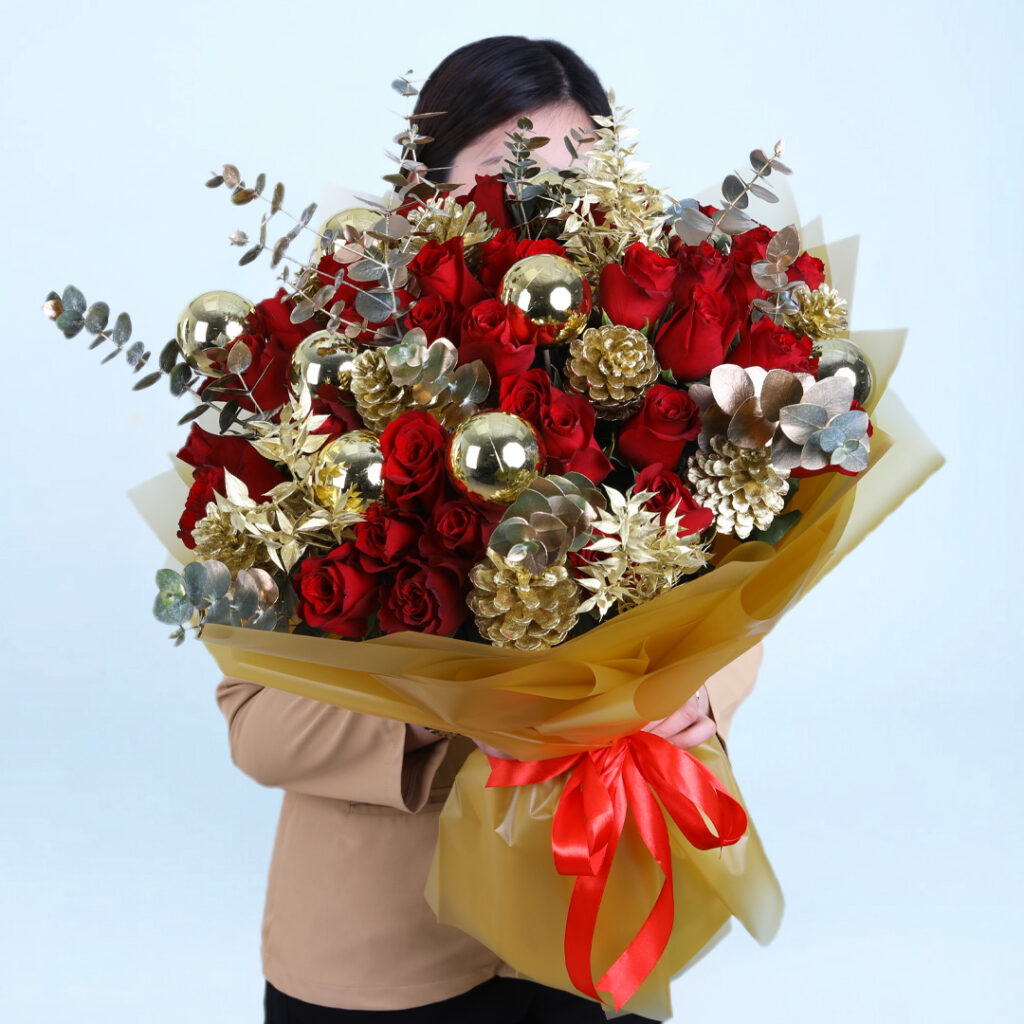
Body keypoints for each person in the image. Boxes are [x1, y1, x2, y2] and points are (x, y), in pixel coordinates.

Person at [216, 36, 764, 1024]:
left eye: (569, 175)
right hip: (379, 945)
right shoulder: (313, 381)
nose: (541, 208)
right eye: (502, 176)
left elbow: (737, 603)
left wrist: (701, 696)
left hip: (592, 906)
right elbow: (258, 728)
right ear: (427, 188)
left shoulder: (655, 367)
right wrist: (462, 699)